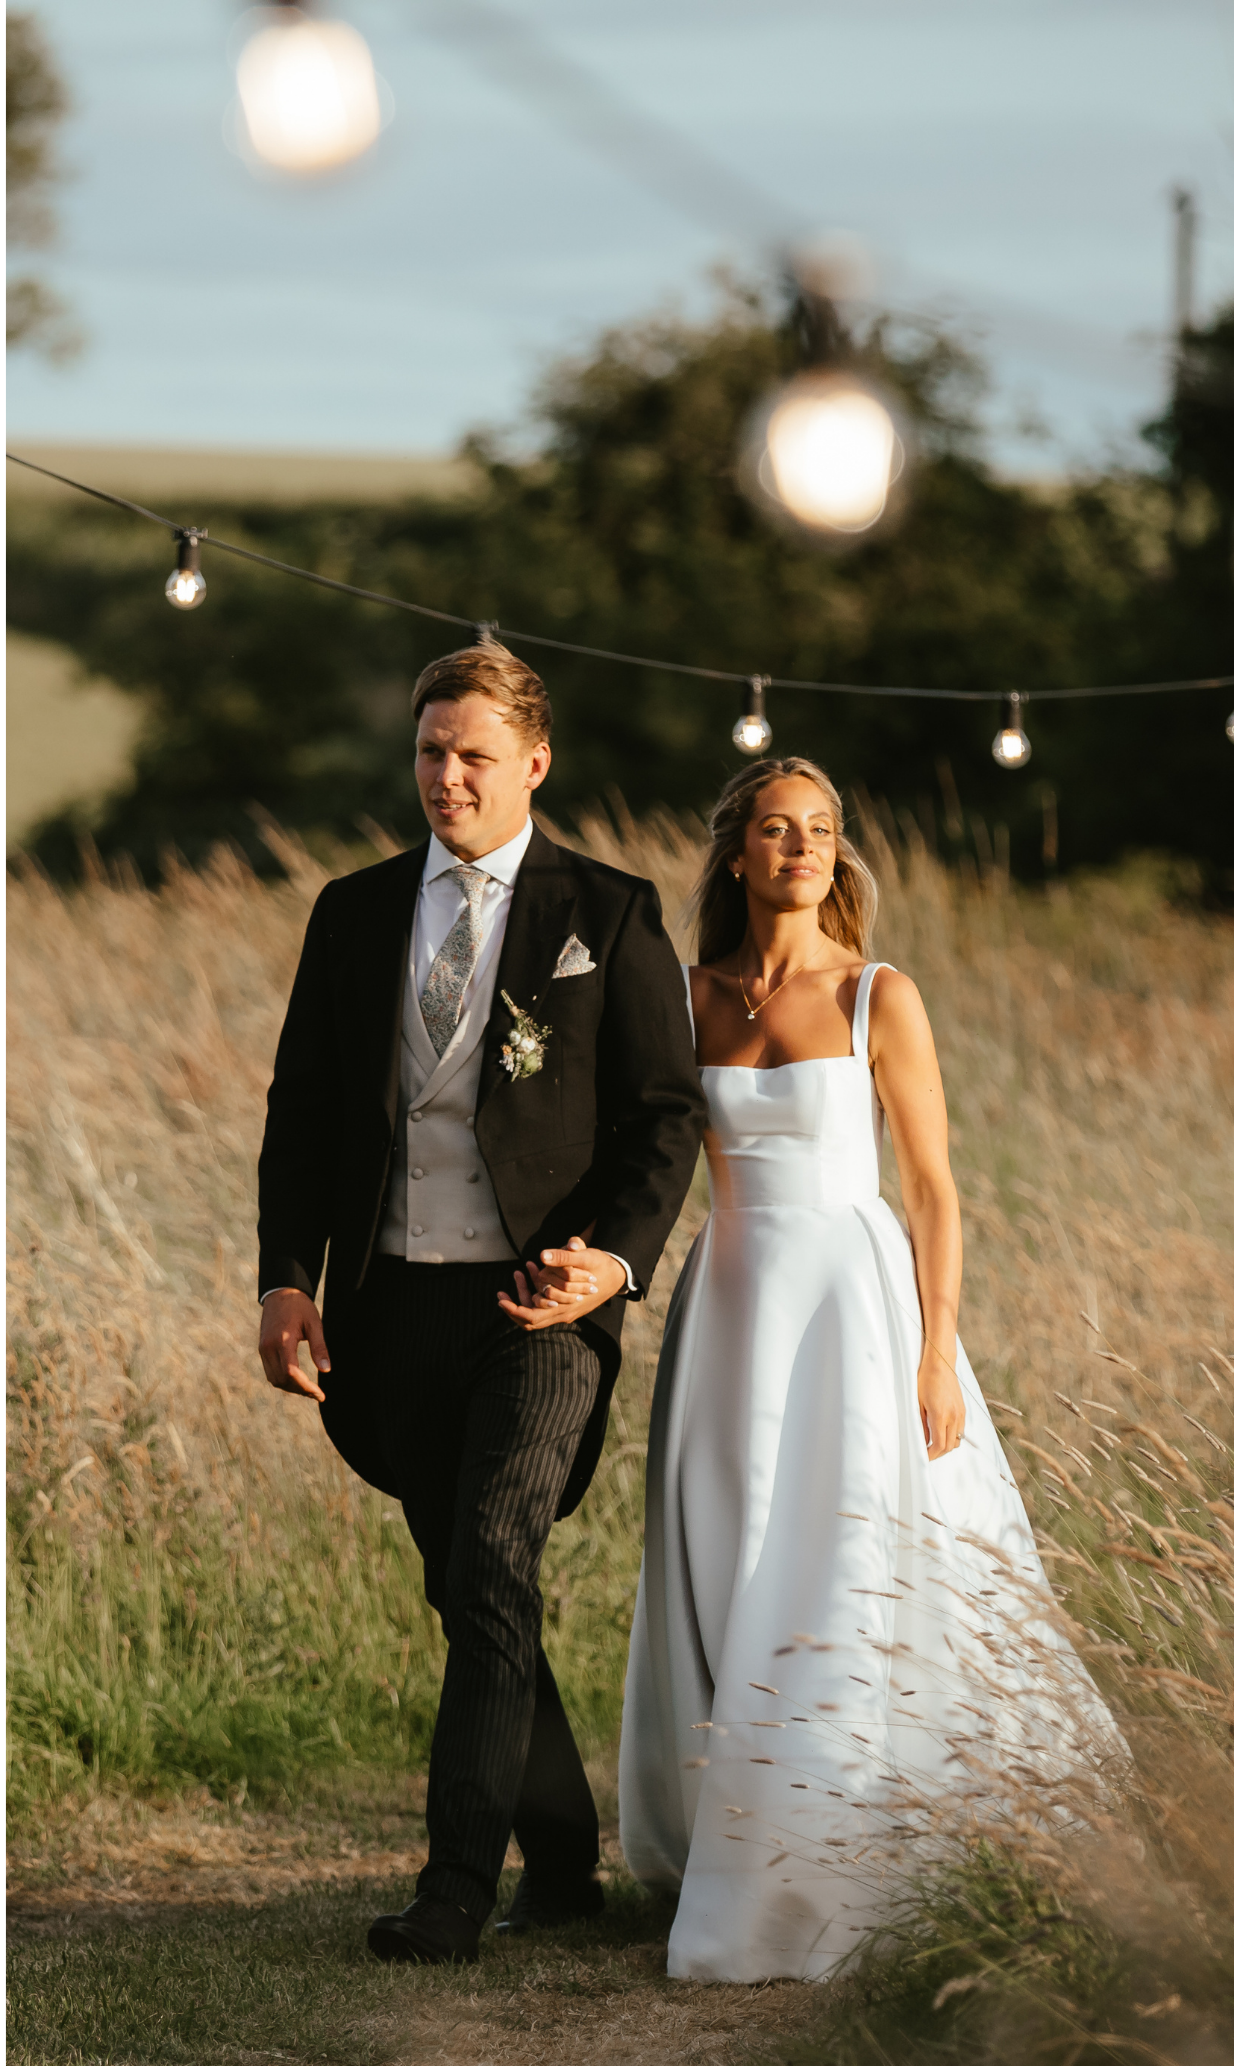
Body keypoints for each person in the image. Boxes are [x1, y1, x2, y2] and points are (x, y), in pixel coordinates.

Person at [619, 757, 1123, 1983]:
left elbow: (935, 1188)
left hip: (855, 1300)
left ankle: (837, 1831)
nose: (801, 846)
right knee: (729, 1545)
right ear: (736, 851)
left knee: (841, 1550)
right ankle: (729, 1823)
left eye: (822, 830)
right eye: (777, 828)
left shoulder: (878, 995)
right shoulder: (686, 998)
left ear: (839, 854)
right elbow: (645, 1159)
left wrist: (937, 1346)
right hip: (730, 1303)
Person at [257, 642, 706, 1967]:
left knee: (496, 1559)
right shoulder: (352, 910)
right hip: (391, 1306)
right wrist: (289, 1277)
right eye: (429, 752)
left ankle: (455, 1887)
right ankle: (564, 1860)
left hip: (539, 1309)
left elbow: (664, 1116)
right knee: (472, 1587)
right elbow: (301, 1114)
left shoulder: (607, 913)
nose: (445, 778)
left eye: (472, 757)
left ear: (534, 763)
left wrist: (613, 1262)